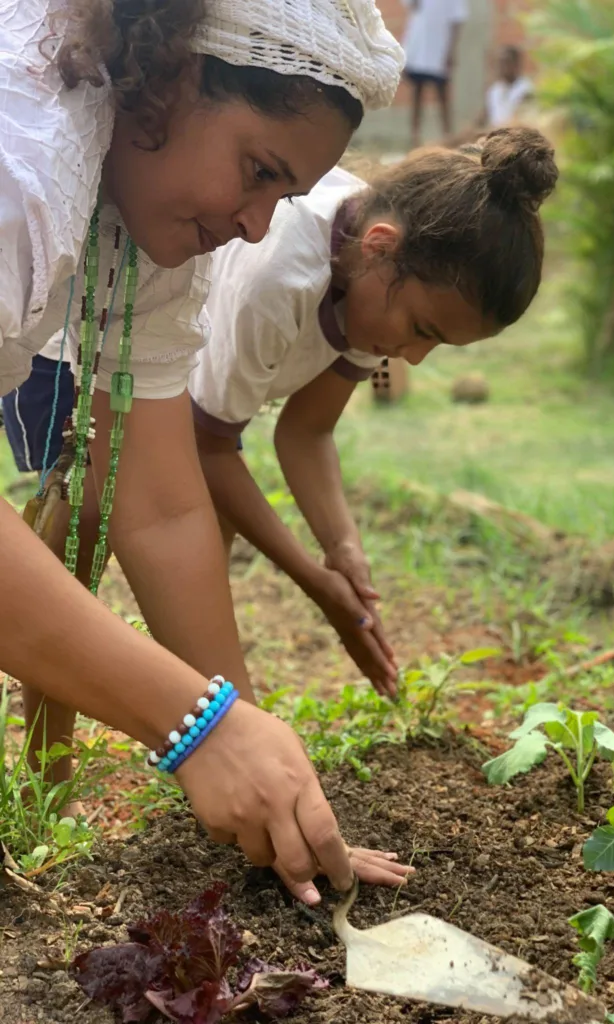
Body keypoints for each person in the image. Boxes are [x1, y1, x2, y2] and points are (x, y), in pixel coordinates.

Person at [0, 0, 407, 906]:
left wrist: (265, 769)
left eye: (284, 197)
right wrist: (199, 727)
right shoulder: (18, 168)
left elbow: (166, 506)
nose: (259, 228)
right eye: (258, 171)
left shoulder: (149, 214)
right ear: (171, 77)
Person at [188, 128, 559, 672]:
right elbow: (207, 447)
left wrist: (342, 547)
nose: (413, 358)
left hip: (197, 401)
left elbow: (307, 430)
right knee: (76, 536)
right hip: (91, 352)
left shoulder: (370, 278)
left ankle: (210, 713)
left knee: (203, 548)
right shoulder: (281, 277)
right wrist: (315, 584)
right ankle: (47, 747)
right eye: (421, 330)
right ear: (380, 248)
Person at [401, 0, 467, 147]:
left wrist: (451, 50)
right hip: (418, 47)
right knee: (417, 93)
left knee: (442, 95)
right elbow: (411, 7)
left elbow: (457, 21)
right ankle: (415, 138)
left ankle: (448, 137)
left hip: (439, 48)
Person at [483, 46, 534, 130]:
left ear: (516, 64)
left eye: (506, 62)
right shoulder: (494, 90)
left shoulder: (526, 89)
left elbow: (521, 120)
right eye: (500, 63)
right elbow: (489, 116)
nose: (502, 67)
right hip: (496, 137)